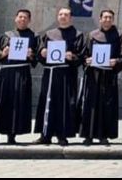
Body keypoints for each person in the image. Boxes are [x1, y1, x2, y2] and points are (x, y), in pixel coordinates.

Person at [0, 9, 39, 145]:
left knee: (16, 104)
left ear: (29, 20)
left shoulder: (33, 37)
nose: (22, 19)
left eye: (25, 18)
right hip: (5, 74)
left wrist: (31, 55)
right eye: (20, 17)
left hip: (21, 74)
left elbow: (37, 57)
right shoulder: (6, 35)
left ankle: (12, 135)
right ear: (15, 18)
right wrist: (2, 53)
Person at [34, 8, 85, 146]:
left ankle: (62, 135)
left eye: (66, 15)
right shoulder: (49, 34)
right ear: (57, 17)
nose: (63, 17)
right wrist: (42, 52)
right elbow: (39, 53)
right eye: (61, 14)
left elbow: (81, 55)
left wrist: (72, 56)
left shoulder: (78, 35)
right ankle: (45, 134)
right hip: (50, 74)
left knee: (65, 104)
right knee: (47, 103)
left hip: (67, 74)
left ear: (71, 18)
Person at [78, 9, 122, 146]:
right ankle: (88, 135)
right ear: (100, 19)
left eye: (110, 17)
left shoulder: (119, 36)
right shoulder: (92, 35)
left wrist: (116, 61)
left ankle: (103, 135)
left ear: (113, 20)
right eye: (105, 17)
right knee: (90, 104)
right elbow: (84, 54)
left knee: (106, 105)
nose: (107, 20)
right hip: (93, 75)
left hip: (108, 75)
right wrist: (86, 60)